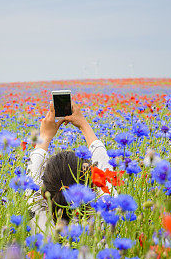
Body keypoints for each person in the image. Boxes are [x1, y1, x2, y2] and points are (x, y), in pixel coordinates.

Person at [26, 100, 112, 235]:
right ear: (93, 187)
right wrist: (84, 124)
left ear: (43, 194)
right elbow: (105, 173)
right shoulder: (104, 221)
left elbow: (30, 182)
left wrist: (44, 136)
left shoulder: (38, 223)